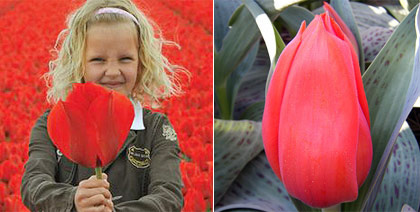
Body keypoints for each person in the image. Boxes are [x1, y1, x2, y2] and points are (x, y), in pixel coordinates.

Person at [21, 0, 185, 211]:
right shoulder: (53, 122)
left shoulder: (156, 130)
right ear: (78, 63)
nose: (113, 71)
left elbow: (168, 196)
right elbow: (33, 185)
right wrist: (73, 200)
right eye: (98, 59)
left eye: (125, 59)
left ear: (141, 63)